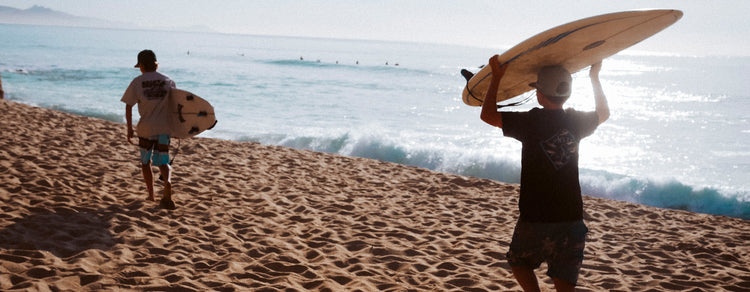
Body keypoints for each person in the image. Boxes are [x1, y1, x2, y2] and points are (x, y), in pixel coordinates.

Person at [480, 55, 609, 292]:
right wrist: (594, 77)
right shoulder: (577, 121)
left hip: (535, 218)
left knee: (518, 261)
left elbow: (487, 115)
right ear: (567, 93)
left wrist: (496, 79)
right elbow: (603, 112)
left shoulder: (531, 121)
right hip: (571, 218)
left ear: (539, 94)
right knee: (565, 283)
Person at [121, 50, 177, 209]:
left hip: (146, 128)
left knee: (146, 162)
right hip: (164, 128)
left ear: (143, 66)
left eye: (140, 66)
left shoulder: (137, 82)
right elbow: (176, 105)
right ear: (156, 64)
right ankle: (168, 182)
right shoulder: (168, 81)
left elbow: (128, 105)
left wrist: (129, 129)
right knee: (163, 161)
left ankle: (151, 195)